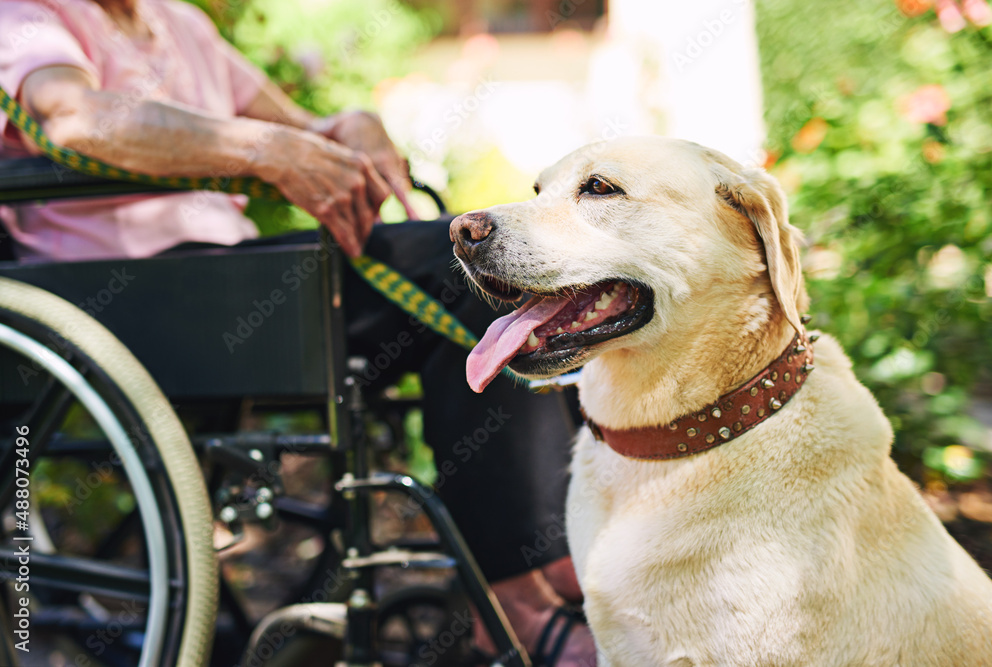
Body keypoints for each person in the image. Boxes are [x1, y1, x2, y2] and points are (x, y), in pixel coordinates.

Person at [0, 0, 595, 663]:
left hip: (222, 282)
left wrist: (354, 126)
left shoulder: (174, 22)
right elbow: (74, 116)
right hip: (125, 295)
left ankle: (548, 567)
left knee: (477, 281)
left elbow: (309, 128)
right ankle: (522, 598)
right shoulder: (27, 14)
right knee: (457, 267)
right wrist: (262, 149)